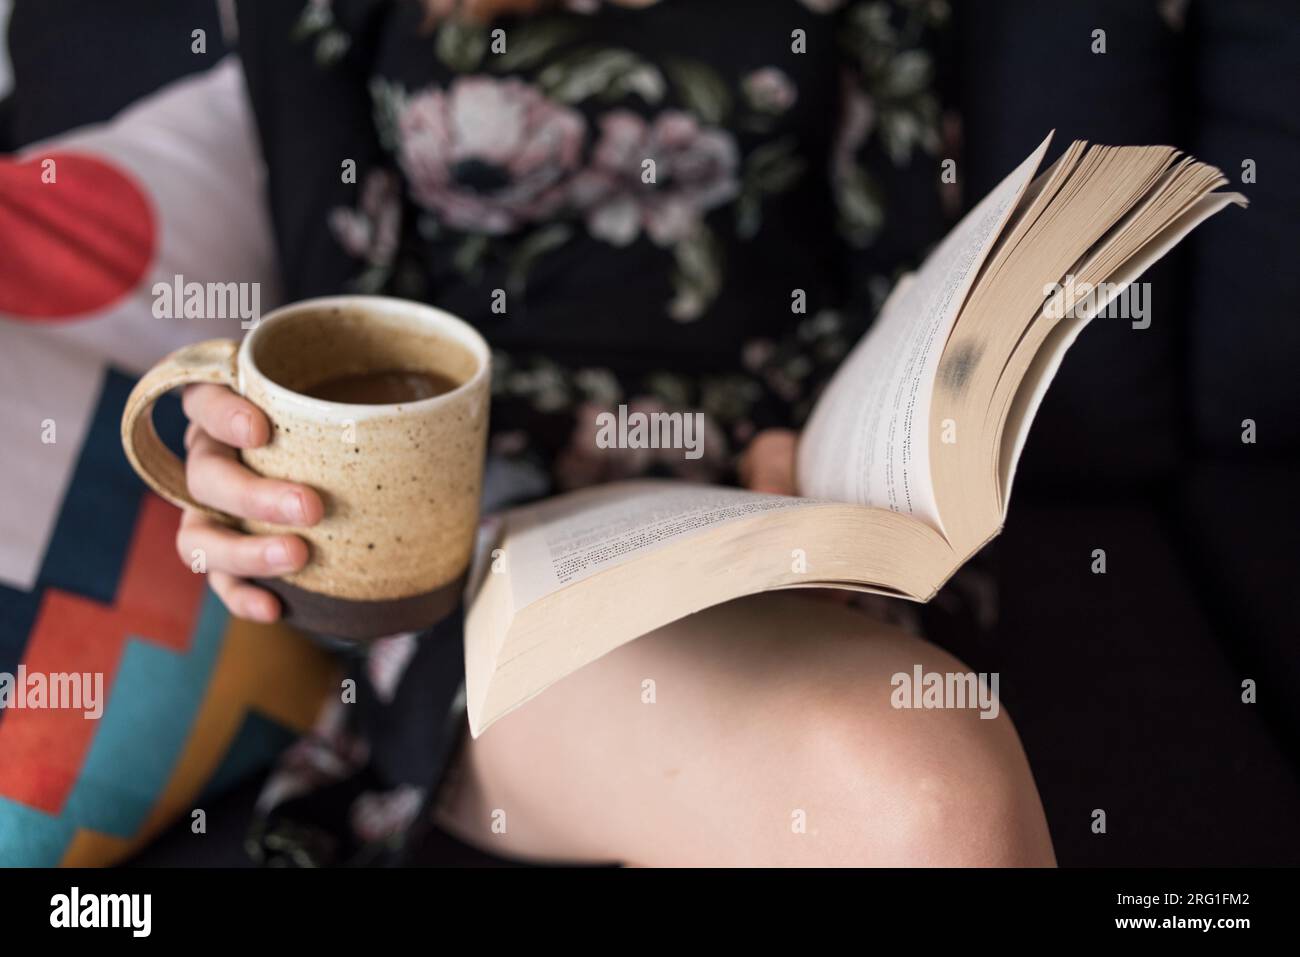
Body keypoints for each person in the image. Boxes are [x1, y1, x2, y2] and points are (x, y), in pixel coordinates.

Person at [177, 0, 1055, 865]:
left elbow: (907, 304)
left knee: (913, 792)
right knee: (923, 789)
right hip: (491, 531)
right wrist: (272, 461)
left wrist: (825, 463)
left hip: (790, 491)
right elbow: (336, 326)